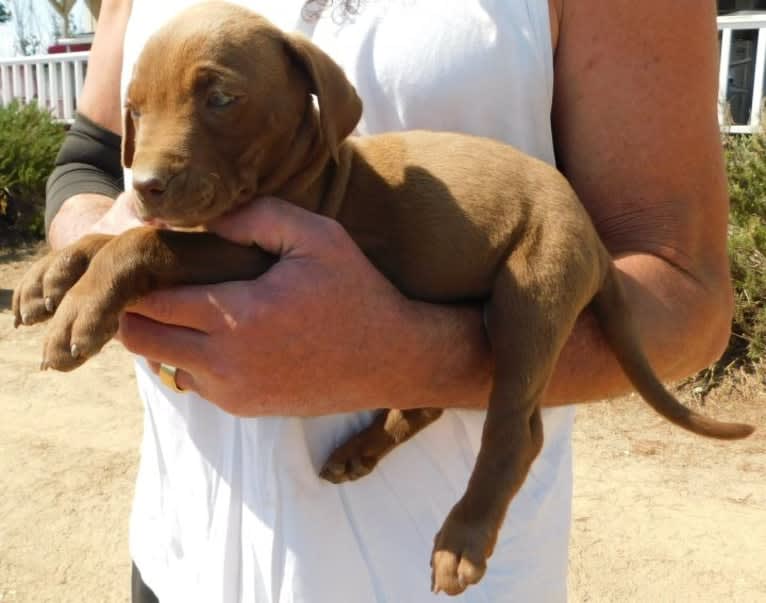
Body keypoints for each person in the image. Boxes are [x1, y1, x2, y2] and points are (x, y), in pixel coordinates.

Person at [45, 0, 734, 601]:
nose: (153, 160)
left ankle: (484, 496)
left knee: (522, 320)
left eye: (219, 99)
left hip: (429, 586)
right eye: (147, 119)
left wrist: (407, 356)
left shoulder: (313, 154)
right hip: (180, 562)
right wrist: (85, 239)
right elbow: (90, 160)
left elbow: (687, 291)